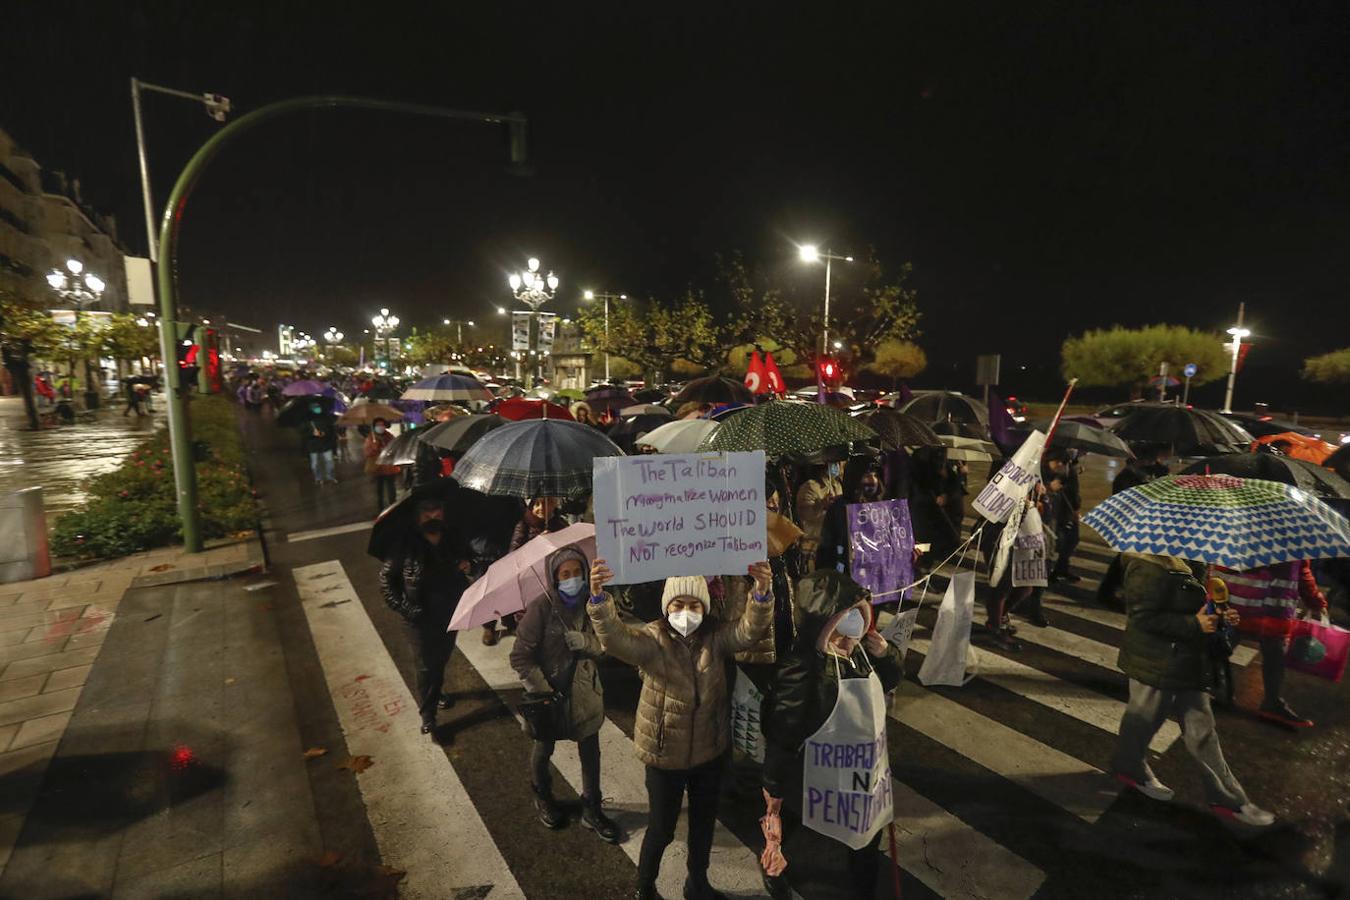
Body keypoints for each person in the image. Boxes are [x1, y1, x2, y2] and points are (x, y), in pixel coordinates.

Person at [588, 558, 774, 900]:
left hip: (709, 750)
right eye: (678, 604)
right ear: (666, 606)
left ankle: (697, 883)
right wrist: (599, 600)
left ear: (703, 607)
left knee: (703, 824)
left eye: (693, 605)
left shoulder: (715, 637)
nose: (686, 612)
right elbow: (616, 640)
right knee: (662, 828)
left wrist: (761, 594)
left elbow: (748, 631)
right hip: (664, 754)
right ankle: (645, 887)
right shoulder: (653, 639)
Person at [758, 570, 904, 899]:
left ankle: (864, 882)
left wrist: (885, 652)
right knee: (793, 824)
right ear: (824, 622)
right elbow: (783, 733)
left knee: (866, 832)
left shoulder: (864, 653)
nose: (853, 623)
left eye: (859, 613)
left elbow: (893, 677)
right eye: (844, 616)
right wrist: (774, 787)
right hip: (810, 773)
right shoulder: (802, 670)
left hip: (863, 774)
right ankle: (774, 867)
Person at [1111, 552, 1275, 827]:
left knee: (1201, 729)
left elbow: (1193, 605)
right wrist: (1194, 623)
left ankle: (1229, 799)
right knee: (1143, 720)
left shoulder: (1189, 559)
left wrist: (1219, 615)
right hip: (1155, 661)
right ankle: (1129, 766)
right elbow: (1141, 618)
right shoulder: (1146, 564)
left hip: (1187, 660)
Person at [509, 547, 621, 843]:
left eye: (577, 573)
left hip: (586, 694)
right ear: (555, 578)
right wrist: (542, 690)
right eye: (565, 574)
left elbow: (609, 646)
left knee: (590, 753)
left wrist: (586, 641)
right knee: (543, 749)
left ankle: (592, 808)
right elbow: (521, 656)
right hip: (549, 697)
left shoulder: (595, 603)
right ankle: (543, 795)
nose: (573, 579)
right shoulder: (541, 608)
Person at [378, 497, 471, 736]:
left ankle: (436, 691)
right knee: (425, 665)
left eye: (436, 511)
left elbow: (470, 560)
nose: (432, 517)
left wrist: (466, 565)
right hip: (418, 617)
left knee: (440, 658)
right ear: (417, 516)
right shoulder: (405, 544)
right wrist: (406, 609)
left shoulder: (453, 538)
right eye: (426, 513)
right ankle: (428, 714)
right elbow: (386, 580)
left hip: (450, 611)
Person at [1215, 560, 1329, 728]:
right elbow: (1302, 574)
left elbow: (1220, 566)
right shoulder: (1294, 539)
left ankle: (1218, 690)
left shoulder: (1237, 537)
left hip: (1241, 603)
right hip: (1270, 609)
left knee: (1222, 647)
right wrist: (1316, 601)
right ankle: (1270, 702)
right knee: (1272, 656)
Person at [482, 496, 569, 647]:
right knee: (530, 625)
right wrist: (537, 544)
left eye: (547, 503)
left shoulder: (561, 525)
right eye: (537, 504)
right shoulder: (524, 525)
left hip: (554, 585)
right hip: (530, 587)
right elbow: (514, 556)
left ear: (554, 504)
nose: (542, 508)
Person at [816, 456, 886, 573]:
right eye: (867, 475)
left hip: (877, 578)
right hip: (846, 576)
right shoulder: (840, 508)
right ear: (854, 478)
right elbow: (828, 547)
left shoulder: (884, 509)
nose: (873, 480)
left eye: (875, 475)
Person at [795, 463, 842, 561]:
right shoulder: (810, 487)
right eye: (834, 464)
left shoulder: (837, 485)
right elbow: (805, 515)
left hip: (834, 543)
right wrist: (821, 505)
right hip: (814, 544)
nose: (838, 466)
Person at [363, 417, 400, 512]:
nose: (380, 427)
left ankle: (393, 506)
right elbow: (367, 453)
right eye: (378, 425)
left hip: (389, 467)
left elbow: (395, 448)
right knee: (379, 489)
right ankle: (380, 508)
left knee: (391, 489)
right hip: (378, 468)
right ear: (374, 427)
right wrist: (374, 448)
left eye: (382, 425)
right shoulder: (371, 438)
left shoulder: (390, 436)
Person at [300, 403, 339, 485]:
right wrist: (312, 433)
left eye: (318, 407)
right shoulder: (306, 421)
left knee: (329, 462)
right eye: (315, 408)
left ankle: (330, 477)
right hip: (313, 446)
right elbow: (303, 434)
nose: (318, 409)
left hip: (326, 444)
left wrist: (323, 433)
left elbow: (331, 430)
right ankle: (318, 478)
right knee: (314, 465)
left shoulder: (325, 418)